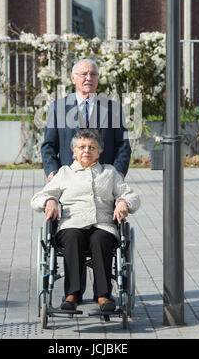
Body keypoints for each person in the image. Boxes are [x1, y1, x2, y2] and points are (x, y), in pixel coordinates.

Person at [31, 129, 140, 312]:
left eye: (92, 147)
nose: (86, 151)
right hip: (71, 224)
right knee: (74, 237)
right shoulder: (64, 173)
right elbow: (37, 198)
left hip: (103, 224)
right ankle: (72, 295)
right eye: (81, 147)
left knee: (100, 239)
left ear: (99, 152)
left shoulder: (109, 173)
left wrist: (123, 202)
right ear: (74, 151)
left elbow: (132, 196)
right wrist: (49, 201)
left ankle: (103, 296)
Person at [40, 58, 131, 182]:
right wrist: (53, 175)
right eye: (84, 74)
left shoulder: (113, 108)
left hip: (104, 181)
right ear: (73, 78)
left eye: (93, 74)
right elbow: (48, 146)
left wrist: (118, 174)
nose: (89, 78)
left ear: (97, 78)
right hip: (69, 181)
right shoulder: (58, 108)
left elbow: (123, 146)